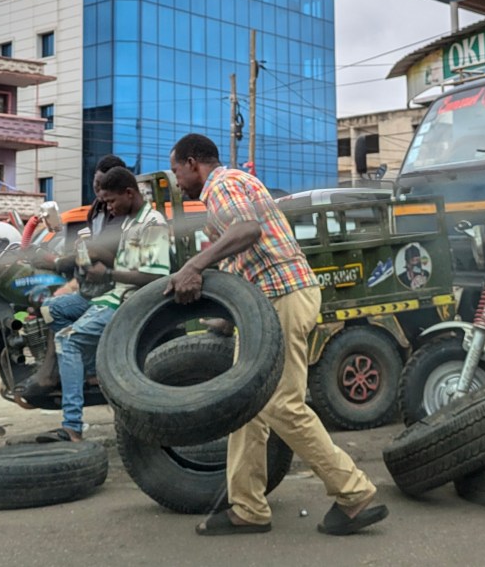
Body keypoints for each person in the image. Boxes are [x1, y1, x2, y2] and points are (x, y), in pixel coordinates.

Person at [166, 133, 388, 537]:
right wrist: (230, 317)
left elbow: (247, 230)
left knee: (281, 404)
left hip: (281, 297)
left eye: (176, 170)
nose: (176, 181)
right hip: (266, 303)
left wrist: (194, 266)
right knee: (245, 405)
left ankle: (354, 492)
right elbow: (246, 255)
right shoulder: (234, 184)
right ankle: (247, 507)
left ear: (193, 162)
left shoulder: (222, 185)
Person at [35, 166, 170, 443]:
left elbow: (155, 277)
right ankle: (88, 371)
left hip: (130, 302)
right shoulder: (129, 222)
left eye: (111, 201)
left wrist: (107, 274)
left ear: (129, 193)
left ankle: (72, 425)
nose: (108, 207)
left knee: (67, 340)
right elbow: (123, 263)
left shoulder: (152, 224)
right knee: (53, 308)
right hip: (113, 295)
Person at [15, 155, 128, 401]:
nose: (99, 193)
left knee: (68, 335)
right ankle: (60, 368)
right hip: (89, 282)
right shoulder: (96, 210)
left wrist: (61, 262)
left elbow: (101, 251)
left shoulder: (121, 213)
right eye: (96, 185)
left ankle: (69, 376)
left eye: (105, 188)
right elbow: (86, 247)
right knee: (49, 306)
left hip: (110, 289)